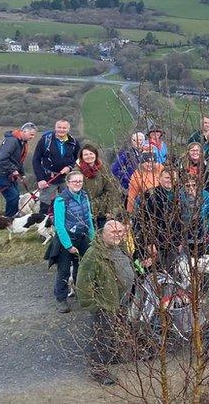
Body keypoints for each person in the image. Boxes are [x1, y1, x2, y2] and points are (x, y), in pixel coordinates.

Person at [76, 218, 145, 385]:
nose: (118, 235)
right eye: (114, 232)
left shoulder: (119, 247)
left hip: (120, 300)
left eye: (121, 232)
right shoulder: (94, 253)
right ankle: (98, 370)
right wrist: (94, 305)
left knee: (115, 331)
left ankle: (113, 357)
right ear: (103, 234)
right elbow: (83, 282)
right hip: (104, 304)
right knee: (102, 337)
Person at [51, 171, 94, 313]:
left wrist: (92, 238)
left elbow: (88, 218)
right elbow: (59, 225)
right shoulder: (60, 200)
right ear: (68, 183)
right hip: (66, 238)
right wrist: (68, 245)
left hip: (82, 236)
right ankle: (61, 299)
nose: (77, 184)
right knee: (63, 270)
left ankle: (81, 294)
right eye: (74, 181)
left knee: (82, 267)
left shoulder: (85, 196)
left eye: (80, 181)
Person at [32, 119, 80, 215]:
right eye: (59, 127)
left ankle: (65, 224)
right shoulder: (45, 141)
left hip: (66, 178)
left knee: (67, 203)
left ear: (68, 129)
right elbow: (36, 160)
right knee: (45, 205)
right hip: (48, 178)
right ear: (55, 128)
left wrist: (70, 167)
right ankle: (42, 227)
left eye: (64, 128)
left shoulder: (73, 142)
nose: (61, 130)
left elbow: (76, 158)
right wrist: (40, 179)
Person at [0, 122, 37, 216]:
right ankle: (9, 220)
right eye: (31, 134)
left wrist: (21, 173)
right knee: (13, 197)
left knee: (16, 196)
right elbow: (2, 158)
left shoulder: (22, 142)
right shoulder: (12, 141)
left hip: (8, 173)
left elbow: (18, 160)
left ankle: (13, 218)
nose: (33, 137)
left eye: (34, 135)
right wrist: (13, 170)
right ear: (23, 131)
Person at [77, 144, 115, 217]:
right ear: (81, 157)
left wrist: (109, 210)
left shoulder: (103, 169)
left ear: (96, 155)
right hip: (84, 210)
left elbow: (110, 190)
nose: (89, 156)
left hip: (102, 208)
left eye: (91, 153)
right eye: (86, 155)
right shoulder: (77, 171)